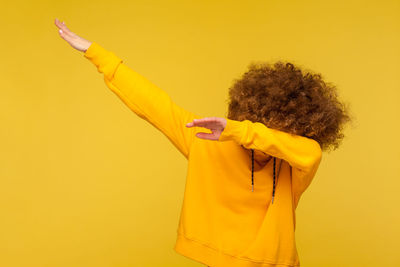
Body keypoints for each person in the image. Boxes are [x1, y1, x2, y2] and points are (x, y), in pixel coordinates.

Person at [54, 18, 353, 267]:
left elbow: (310, 153)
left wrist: (242, 131)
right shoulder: (206, 142)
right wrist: (96, 53)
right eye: (260, 124)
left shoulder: (294, 162)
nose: (266, 138)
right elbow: (154, 103)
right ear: (248, 113)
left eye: (282, 131)